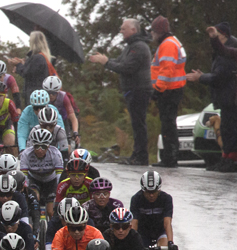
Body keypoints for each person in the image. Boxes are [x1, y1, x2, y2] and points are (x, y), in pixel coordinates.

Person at [89, 19, 153, 165]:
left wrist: (106, 62)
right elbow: (119, 62)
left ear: (133, 30)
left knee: (139, 123)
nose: (121, 31)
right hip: (132, 90)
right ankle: (136, 154)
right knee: (136, 123)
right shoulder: (130, 47)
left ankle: (141, 156)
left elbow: (126, 68)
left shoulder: (139, 47)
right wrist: (106, 60)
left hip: (139, 89)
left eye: (124, 29)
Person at [187, 23, 237, 172]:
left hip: (231, 96)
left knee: (231, 129)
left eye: (219, 36)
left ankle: (231, 160)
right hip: (230, 98)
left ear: (225, 36)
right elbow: (223, 50)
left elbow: (221, 76)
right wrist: (214, 38)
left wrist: (201, 78)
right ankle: (227, 158)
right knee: (227, 129)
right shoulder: (228, 50)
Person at [129, 170, 178, 250]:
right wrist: (132, 240)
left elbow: (167, 223)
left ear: (159, 189)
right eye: (147, 192)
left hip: (159, 231)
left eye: (154, 192)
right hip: (143, 233)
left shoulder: (166, 199)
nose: (151, 195)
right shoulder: (136, 199)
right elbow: (134, 223)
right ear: (142, 190)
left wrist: (170, 242)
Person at [149, 16, 186, 169]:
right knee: (169, 123)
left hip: (169, 90)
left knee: (168, 124)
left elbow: (166, 70)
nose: (151, 35)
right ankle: (170, 157)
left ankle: (170, 158)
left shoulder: (167, 45)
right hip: (173, 89)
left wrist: (158, 89)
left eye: (152, 31)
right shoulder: (172, 42)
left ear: (158, 31)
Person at [19, 127, 64, 216]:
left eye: (43, 147)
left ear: (48, 146)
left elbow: (60, 177)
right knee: (35, 198)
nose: (40, 150)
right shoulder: (26, 154)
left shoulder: (55, 153)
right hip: (34, 180)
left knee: (51, 211)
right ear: (33, 145)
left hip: (51, 181)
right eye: (36, 146)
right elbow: (24, 177)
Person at [8, 31, 55, 106]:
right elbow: (32, 71)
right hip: (37, 95)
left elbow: (27, 73)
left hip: (35, 96)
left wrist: (18, 65)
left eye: (30, 39)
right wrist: (23, 64)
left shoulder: (38, 58)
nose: (29, 41)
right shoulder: (41, 57)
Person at [42, 75, 79, 144]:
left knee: (67, 145)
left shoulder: (64, 97)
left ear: (58, 92)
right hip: (47, 122)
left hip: (63, 122)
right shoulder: (42, 97)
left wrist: (75, 132)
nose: (51, 96)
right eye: (48, 93)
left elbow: (73, 118)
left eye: (53, 93)